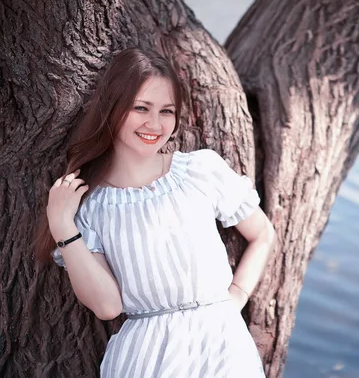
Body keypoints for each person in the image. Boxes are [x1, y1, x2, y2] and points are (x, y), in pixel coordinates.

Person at [34, 47, 275, 377]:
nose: (155, 123)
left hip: (223, 346)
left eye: (166, 111)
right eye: (141, 108)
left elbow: (262, 234)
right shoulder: (91, 204)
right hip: (147, 354)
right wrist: (62, 225)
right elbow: (107, 307)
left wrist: (236, 297)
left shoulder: (199, 171)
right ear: (113, 108)